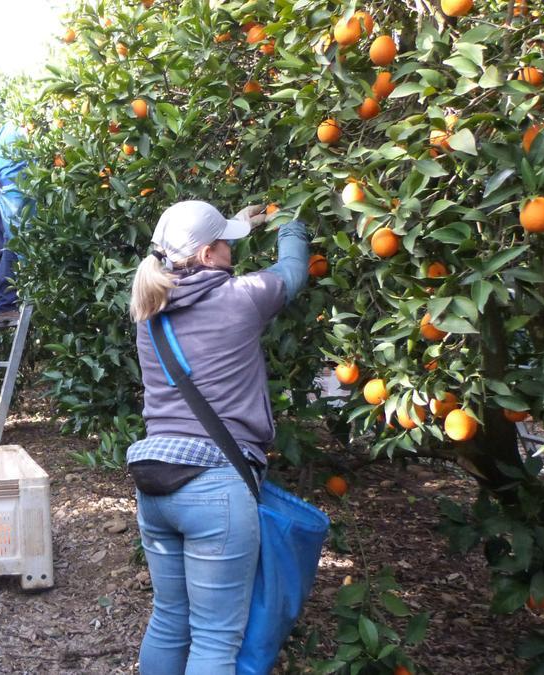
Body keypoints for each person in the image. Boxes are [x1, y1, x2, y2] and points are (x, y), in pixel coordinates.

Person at [127, 201, 308, 674]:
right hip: (214, 489)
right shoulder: (243, 297)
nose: (234, 249)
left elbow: (199, 266)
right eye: (227, 242)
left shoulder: (149, 312)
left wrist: (243, 224)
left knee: (169, 620)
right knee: (215, 639)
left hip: (155, 484)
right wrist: (294, 219)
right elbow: (292, 271)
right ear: (208, 254)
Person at [0, 121, 35, 325]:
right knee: (13, 249)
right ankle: (5, 306)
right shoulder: (19, 130)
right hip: (10, 200)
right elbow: (27, 168)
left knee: (2, 253)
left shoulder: (4, 130)